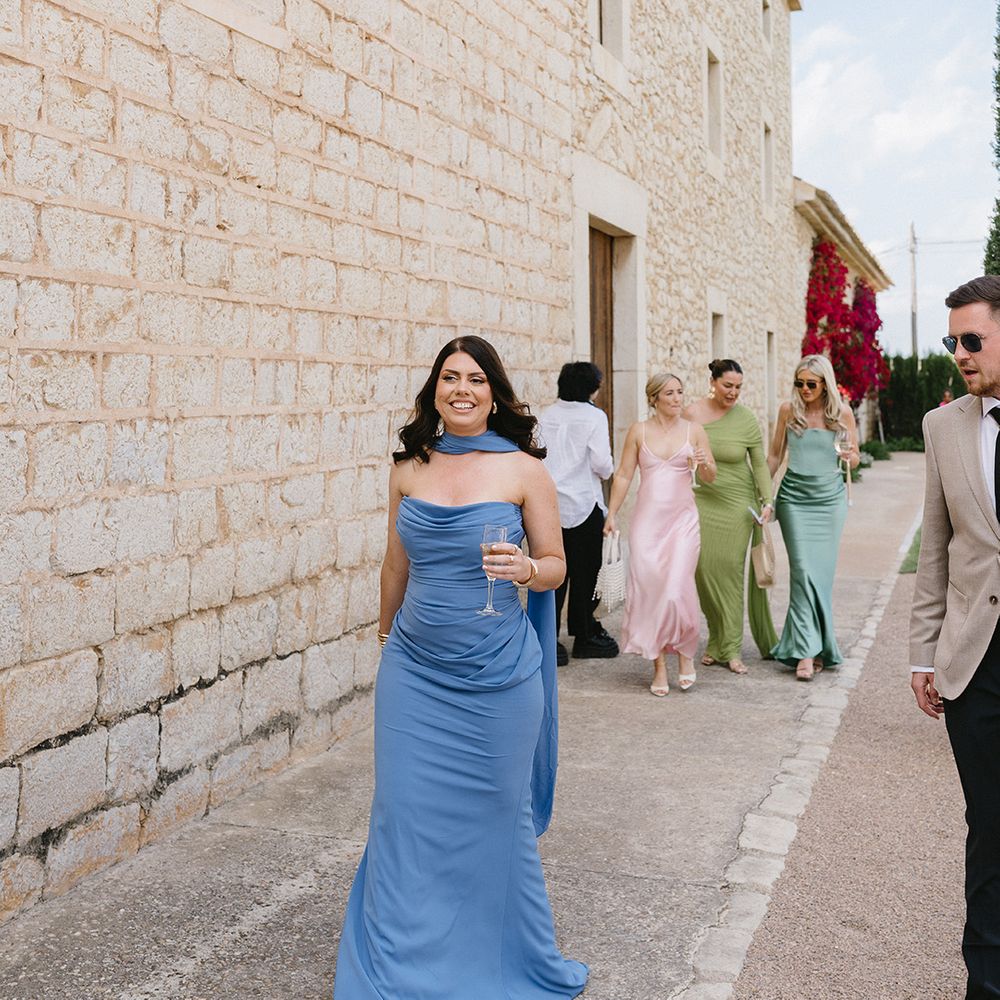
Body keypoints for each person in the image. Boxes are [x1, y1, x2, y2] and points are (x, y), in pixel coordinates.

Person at [334, 336, 587, 999]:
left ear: (496, 393)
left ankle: (494, 959)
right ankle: (397, 961)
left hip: (498, 679)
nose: (462, 389)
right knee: (403, 814)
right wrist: (386, 634)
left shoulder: (525, 472)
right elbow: (396, 564)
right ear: (434, 390)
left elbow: (558, 565)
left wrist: (530, 570)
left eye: (476, 379)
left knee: (495, 818)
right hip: (414, 675)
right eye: (450, 378)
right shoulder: (409, 469)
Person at [910, 275, 1000, 1000]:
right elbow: (935, 551)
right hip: (977, 658)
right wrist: (922, 653)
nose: (960, 354)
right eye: (952, 342)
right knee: (991, 827)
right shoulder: (944, 427)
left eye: (973, 339)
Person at [604, 373, 716, 696]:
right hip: (647, 525)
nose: (678, 398)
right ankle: (657, 666)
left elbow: (710, 476)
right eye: (670, 393)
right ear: (654, 398)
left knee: (677, 589)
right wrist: (612, 513)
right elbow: (624, 474)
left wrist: (704, 462)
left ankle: (685, 654)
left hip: (683, 522)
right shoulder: (638, 431)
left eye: (680, 391)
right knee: (650, 591)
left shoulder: (694, 431)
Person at [766, 354, 859, 681]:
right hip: (794, 500)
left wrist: (851, 456)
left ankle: (815, 646)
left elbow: (855, 456)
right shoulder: (788, 412)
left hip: (829, 501)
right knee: (803, 570)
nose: (804, 389)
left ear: (825, 384)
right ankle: (806, 650)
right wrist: (765, 496)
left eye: (811, 384)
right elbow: (775, 454)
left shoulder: (842, 413)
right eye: (799, 383)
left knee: (819, 576)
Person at [684, 359, 776, 675]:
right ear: (713, 382)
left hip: (738, 503)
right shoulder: (692, 414)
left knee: (732, 572)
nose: (733, 392)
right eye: (727, 386)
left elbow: (760, 464)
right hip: (701, 502)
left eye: (738, 387)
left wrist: (767, 500)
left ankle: (732, 648)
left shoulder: (747, 419)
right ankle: (715, 640)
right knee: (704, 570)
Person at [538, 362, 619, 666]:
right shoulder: (595, 417)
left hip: (549, 505)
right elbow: (602, 463)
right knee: (586, 575)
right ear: (590, 388)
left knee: (553, 575)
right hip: (585, 503)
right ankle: (585, 636)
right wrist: (608, 471)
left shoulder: (545, 416)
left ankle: (549, 639)